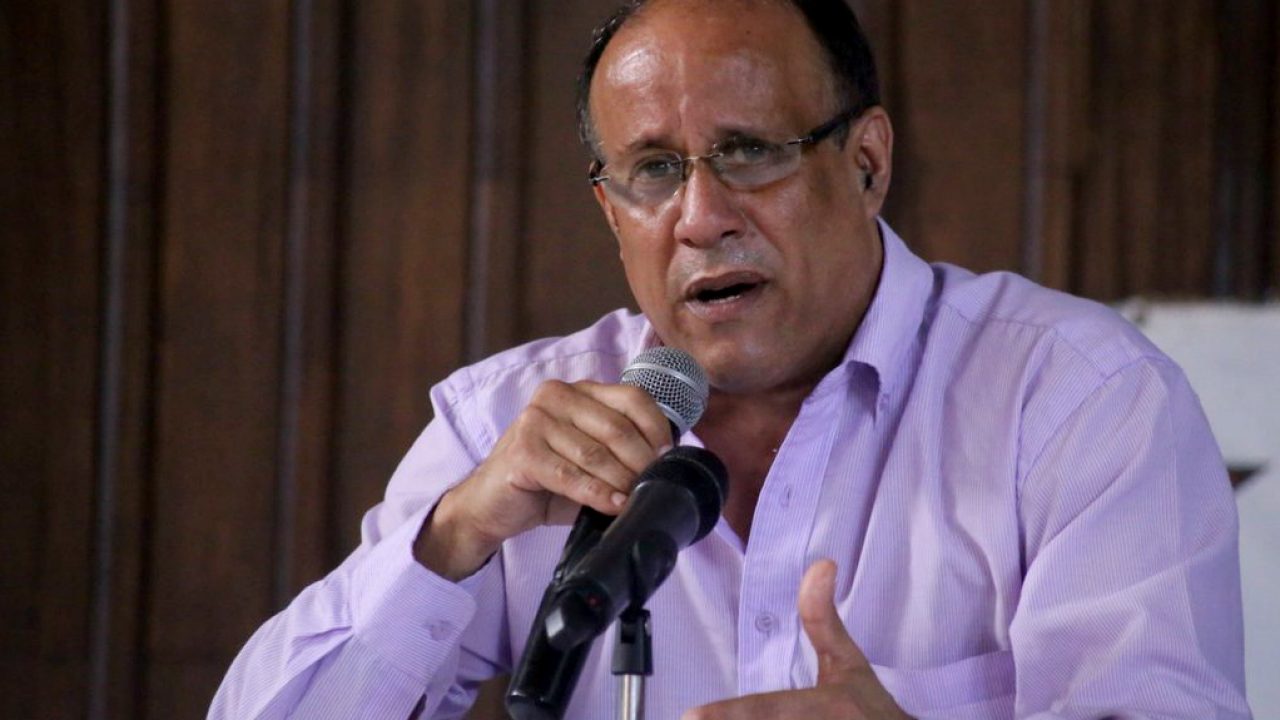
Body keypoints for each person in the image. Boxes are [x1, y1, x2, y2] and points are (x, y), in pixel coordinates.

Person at [211, 0, 1252, 717]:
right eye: (654, 169)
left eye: (749, 152)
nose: (700, 217)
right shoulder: (508, 426)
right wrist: (454, 537)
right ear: (610, 213)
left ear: (867, 163)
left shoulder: (1076, 400)